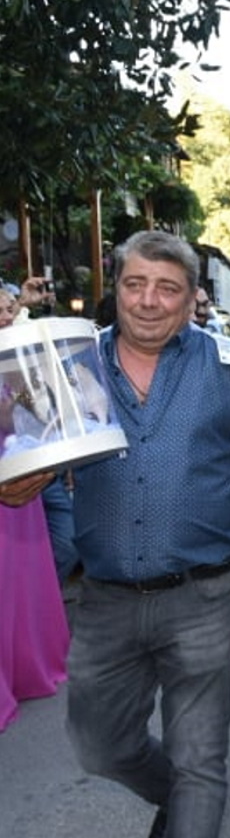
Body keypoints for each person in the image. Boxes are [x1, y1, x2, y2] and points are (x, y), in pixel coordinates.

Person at [0, 231, 230, 838]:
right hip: (106, 603)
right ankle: (179, 803)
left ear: (190, 301)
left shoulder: (229, 365)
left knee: (200, 761)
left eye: (167, 288)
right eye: (135, 284)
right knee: (99, 746)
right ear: (116, 291)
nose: (149, 301)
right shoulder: (70, 363)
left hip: (203, 597)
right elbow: (20, 443)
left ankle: (190, 813)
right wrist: (15, 477)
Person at [0, 286, 70, 732]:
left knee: (21, 579)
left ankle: (26, 665)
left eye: (8, 308)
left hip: (18, 472)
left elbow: (33, 413)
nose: (7, 316)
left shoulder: (13, 355)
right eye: (2, 310)